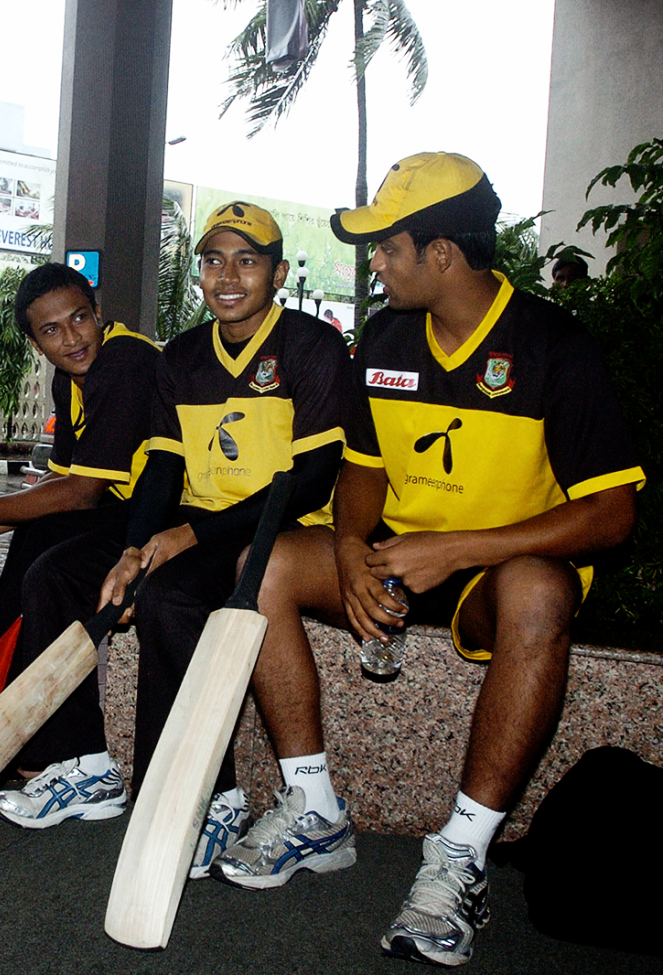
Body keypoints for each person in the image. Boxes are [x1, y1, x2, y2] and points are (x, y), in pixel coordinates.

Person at [208, 153, 643, 968]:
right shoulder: (386, 335)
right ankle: (312, 806)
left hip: (498, 569)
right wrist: (346, 547)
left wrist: (463, 549)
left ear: (441, 253)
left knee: (540, 595)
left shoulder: (553, 345)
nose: (375, 262)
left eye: (387, 246)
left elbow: (614, 514)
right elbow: (364, 467)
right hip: (398, 555)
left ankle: (459, 856)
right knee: (259, 561)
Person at [0, 202, 350, 877]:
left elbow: (310, 480)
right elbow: (160, 467)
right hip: (197, 517)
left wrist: (188, 534)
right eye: (213, 259)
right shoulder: (183, 356)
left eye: (247, 259)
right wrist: (133, 547)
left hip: (280, 527)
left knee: (172, 598)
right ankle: (85, 764)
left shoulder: (310, 344)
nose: (228, 275)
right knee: (56, 571)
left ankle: (207, 798)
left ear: (276, 271)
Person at [0, 263, 159, 784]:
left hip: (166, 516)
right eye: (51, 330)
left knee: (50, 564)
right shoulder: (69, 381)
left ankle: (20, 723)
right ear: (34, 341)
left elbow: (85, 491)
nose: (72, 338)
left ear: (98, 313)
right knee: (34, 533)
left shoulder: (126, 361)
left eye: (80, 318)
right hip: (124, 511)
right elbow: (64, 483)